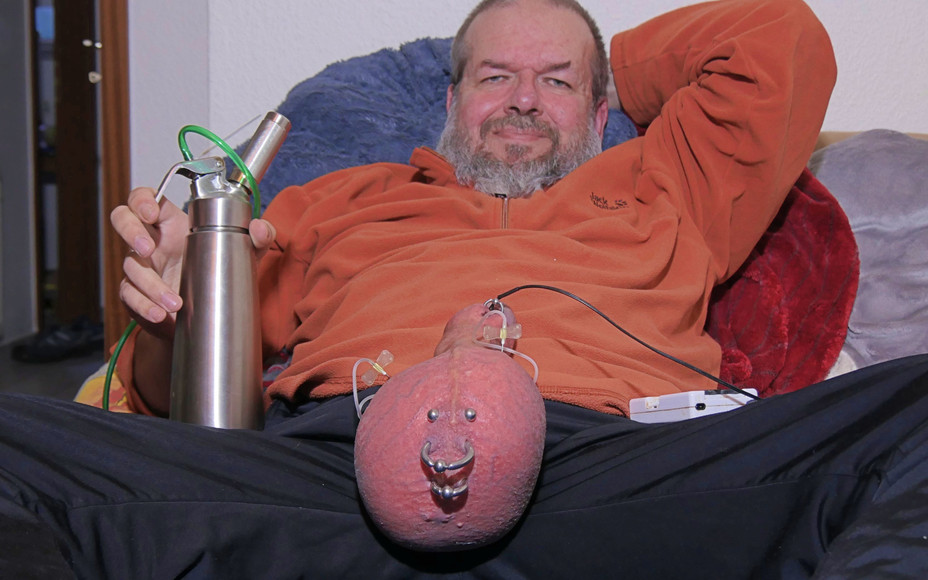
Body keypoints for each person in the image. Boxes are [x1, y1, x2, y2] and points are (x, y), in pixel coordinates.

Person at [1, 0, 926, 577]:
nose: (523, 99)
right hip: (329, 468)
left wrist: (612, 67)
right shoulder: (337, 200)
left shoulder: (667, 186)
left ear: (601, 110)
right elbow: (181, 401)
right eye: (494, 76)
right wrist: (172, 308)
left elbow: (779, 36)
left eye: (557, 80)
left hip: (613, 471)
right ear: (449, 103)